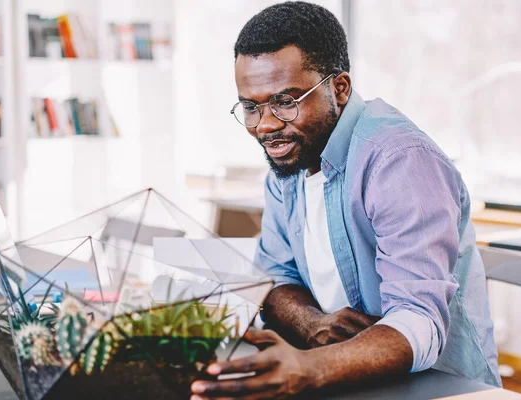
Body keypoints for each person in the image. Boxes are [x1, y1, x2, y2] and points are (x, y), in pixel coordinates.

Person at [191, 2, 501, 399]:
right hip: (338, 376)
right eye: (251, 107)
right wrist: (309, 323)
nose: (266, 124)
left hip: (437, 387)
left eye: (286, 101)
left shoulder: (399, 160)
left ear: (339, 87)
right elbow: (273, 276)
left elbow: (419, 320)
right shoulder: (289, 159)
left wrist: (310, 367)